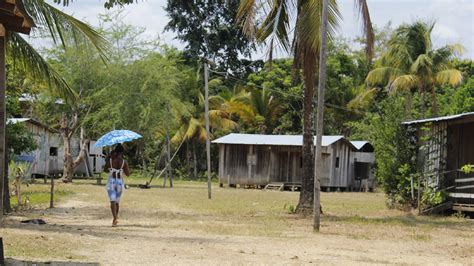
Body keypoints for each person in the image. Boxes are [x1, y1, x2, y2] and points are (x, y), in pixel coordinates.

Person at [104, 144, 130, 227]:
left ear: (115, 151)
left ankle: (114, 218)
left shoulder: (111, 160)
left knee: (112, 201)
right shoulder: (124, 162)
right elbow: (127, 174)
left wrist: (109, 158)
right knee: (117, 202)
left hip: (111, 182)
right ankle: (115, 218)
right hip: (119, 183)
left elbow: (105, 170)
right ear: (122, 152)